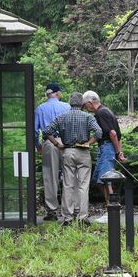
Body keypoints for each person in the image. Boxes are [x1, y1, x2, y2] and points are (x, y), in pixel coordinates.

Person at [44, 92, 102, 226]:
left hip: (68, 151)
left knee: (68, 185)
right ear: (82, 103)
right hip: (83, 152)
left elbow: (47, 131)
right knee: (83, 186)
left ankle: (67, 218)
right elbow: (98, 132)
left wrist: (57, 144)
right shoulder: (87, 117)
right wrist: (89, 142)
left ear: (70, 103)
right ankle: (82, 217)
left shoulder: (62, 117)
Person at [82, 90, 126, 223]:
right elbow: (116, 135)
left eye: (85, 106)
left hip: (107, 148)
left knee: (106, 180)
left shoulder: (100, 113)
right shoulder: (107, 111)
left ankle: (112, 212)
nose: (85, 108)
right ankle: (110, 207)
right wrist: (88, 143)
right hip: (107, 147)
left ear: (90, 103)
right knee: (98, 180)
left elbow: (112, 133)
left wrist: (118, 153)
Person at [34, 82, 70, 221]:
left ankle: (52, 211)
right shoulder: (66, 106)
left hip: (49, 142)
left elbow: (35, 130)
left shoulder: (40, 108)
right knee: (69, 175)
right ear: (57, 93)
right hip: (66, 142)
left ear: (47, 94)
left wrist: (38, 145)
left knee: (50, 176)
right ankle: (70, 209)